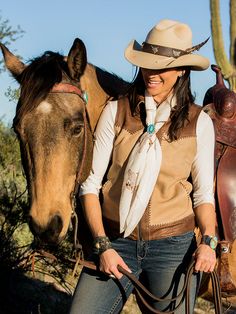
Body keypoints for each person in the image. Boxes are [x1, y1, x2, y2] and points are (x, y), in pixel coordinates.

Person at [69, 19, 217, 314]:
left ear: (181, 70)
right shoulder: (117, 110)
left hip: (173, 247)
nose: (152, 73)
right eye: (148, 64)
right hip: (115, 241)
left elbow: (202, 195)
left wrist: (209, 241)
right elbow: (90, 185)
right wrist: (102, 245)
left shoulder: (198, 122)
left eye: (162, 66)